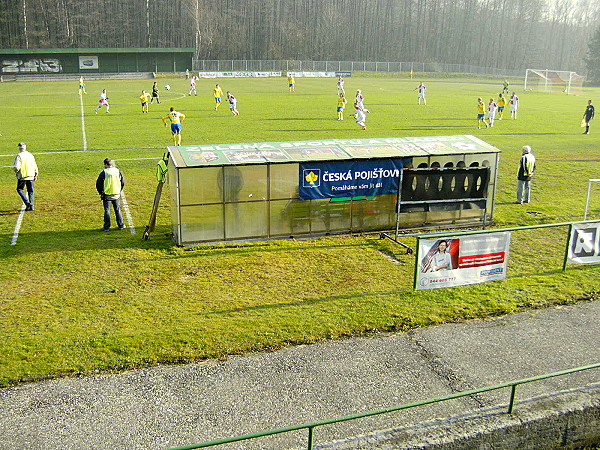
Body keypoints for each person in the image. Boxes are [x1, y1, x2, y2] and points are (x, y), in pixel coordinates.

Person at [96, 158, 125, 231]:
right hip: (116, 194)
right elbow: (122, 182)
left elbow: (98, 184)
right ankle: (121, 225)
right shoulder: (117, 171)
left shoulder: (104, 172)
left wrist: (101, 192)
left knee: (107, 210)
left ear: (105, 164)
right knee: (117, 209)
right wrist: (119, 190)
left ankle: (106, 227)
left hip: (107, 194)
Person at [13, 142, 38, 211]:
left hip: (22, 176)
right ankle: (31, 205)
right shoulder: (30, 155)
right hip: (31, 175)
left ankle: (27, 203)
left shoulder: (19, 156)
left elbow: (16, 167)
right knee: (30, 191)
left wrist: (16, 171)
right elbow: (35, 165)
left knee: (20, 189)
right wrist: (36, 174)